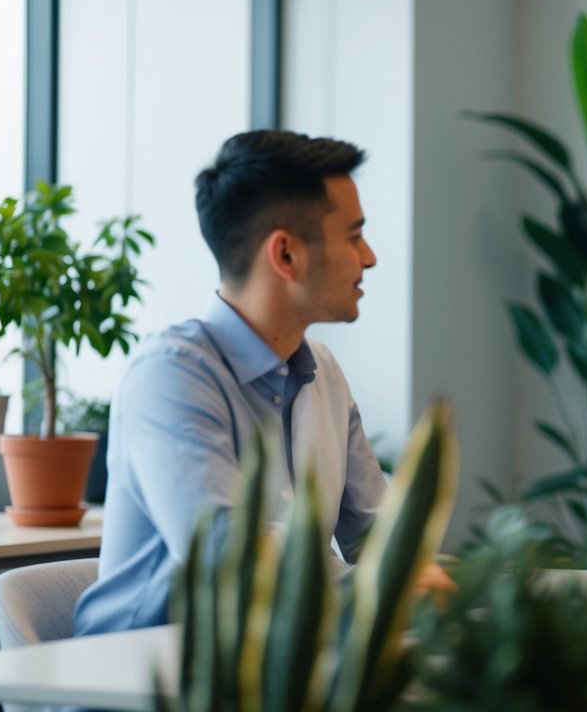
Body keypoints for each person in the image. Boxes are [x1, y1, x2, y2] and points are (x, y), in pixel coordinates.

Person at [74, 130, 389, 635]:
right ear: (285, 255)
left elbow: (381, 540)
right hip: (141, 682)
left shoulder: (324, 375)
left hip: (275, 668)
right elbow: (233, 561)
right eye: (354, 235)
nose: (369, 257)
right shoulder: (168, 376)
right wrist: (383, 587)